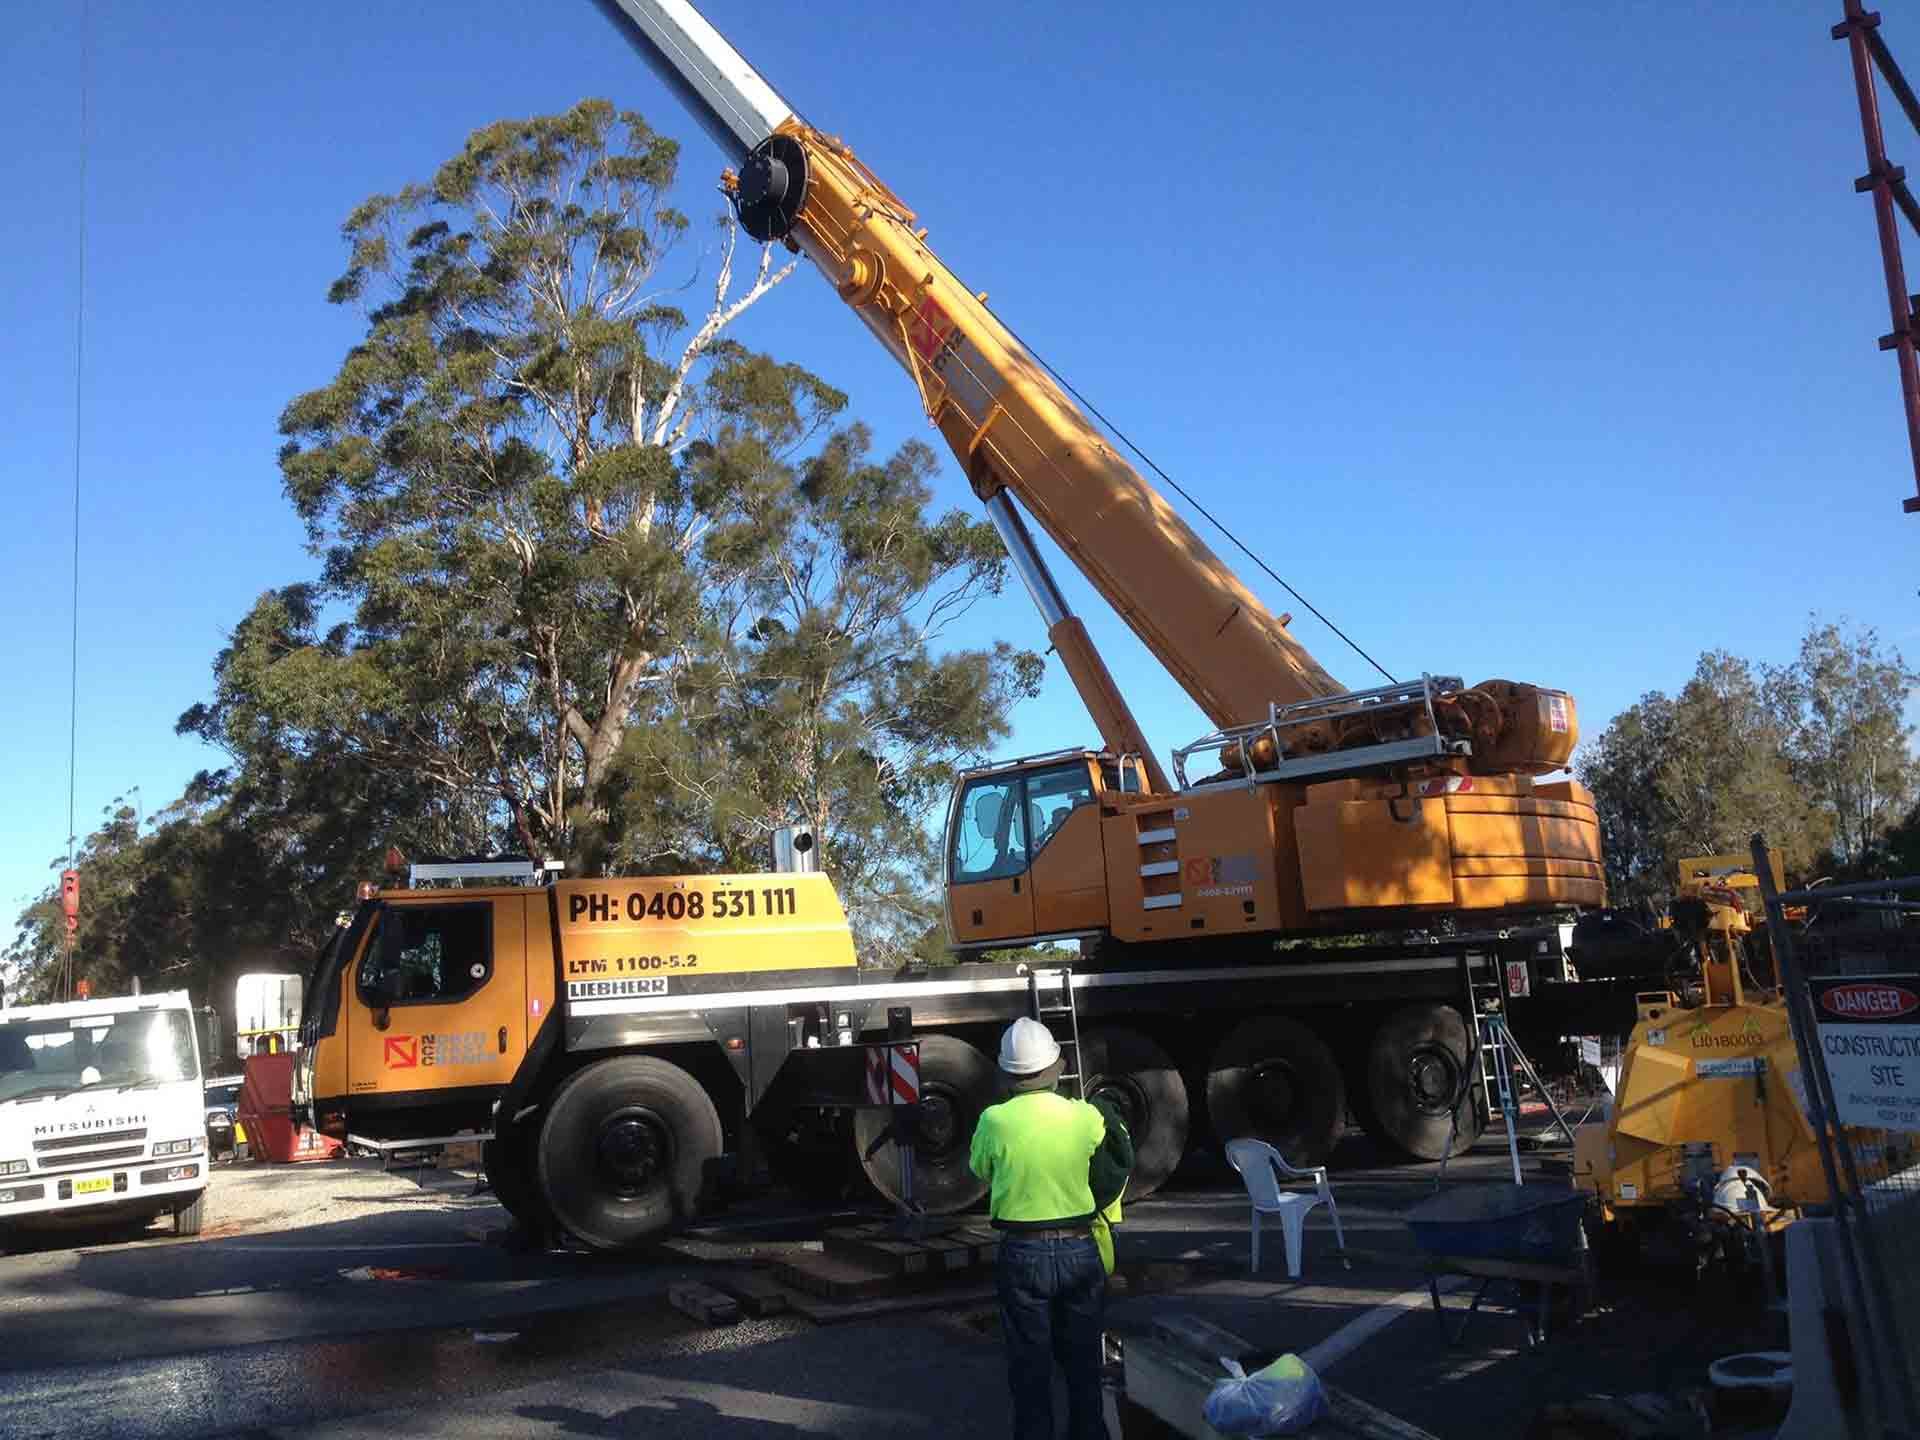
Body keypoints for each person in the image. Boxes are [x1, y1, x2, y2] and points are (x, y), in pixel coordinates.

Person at [969, 1017, 1118, 1440]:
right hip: (1078, 1248)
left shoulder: (993, 1121)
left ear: (1006, 1073)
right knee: (1084, 1362)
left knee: (1029, 1367)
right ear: (1056, 1067)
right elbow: (1099, 1148)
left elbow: (980, 1168)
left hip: (1021, 1250)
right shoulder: (1083, 1116)